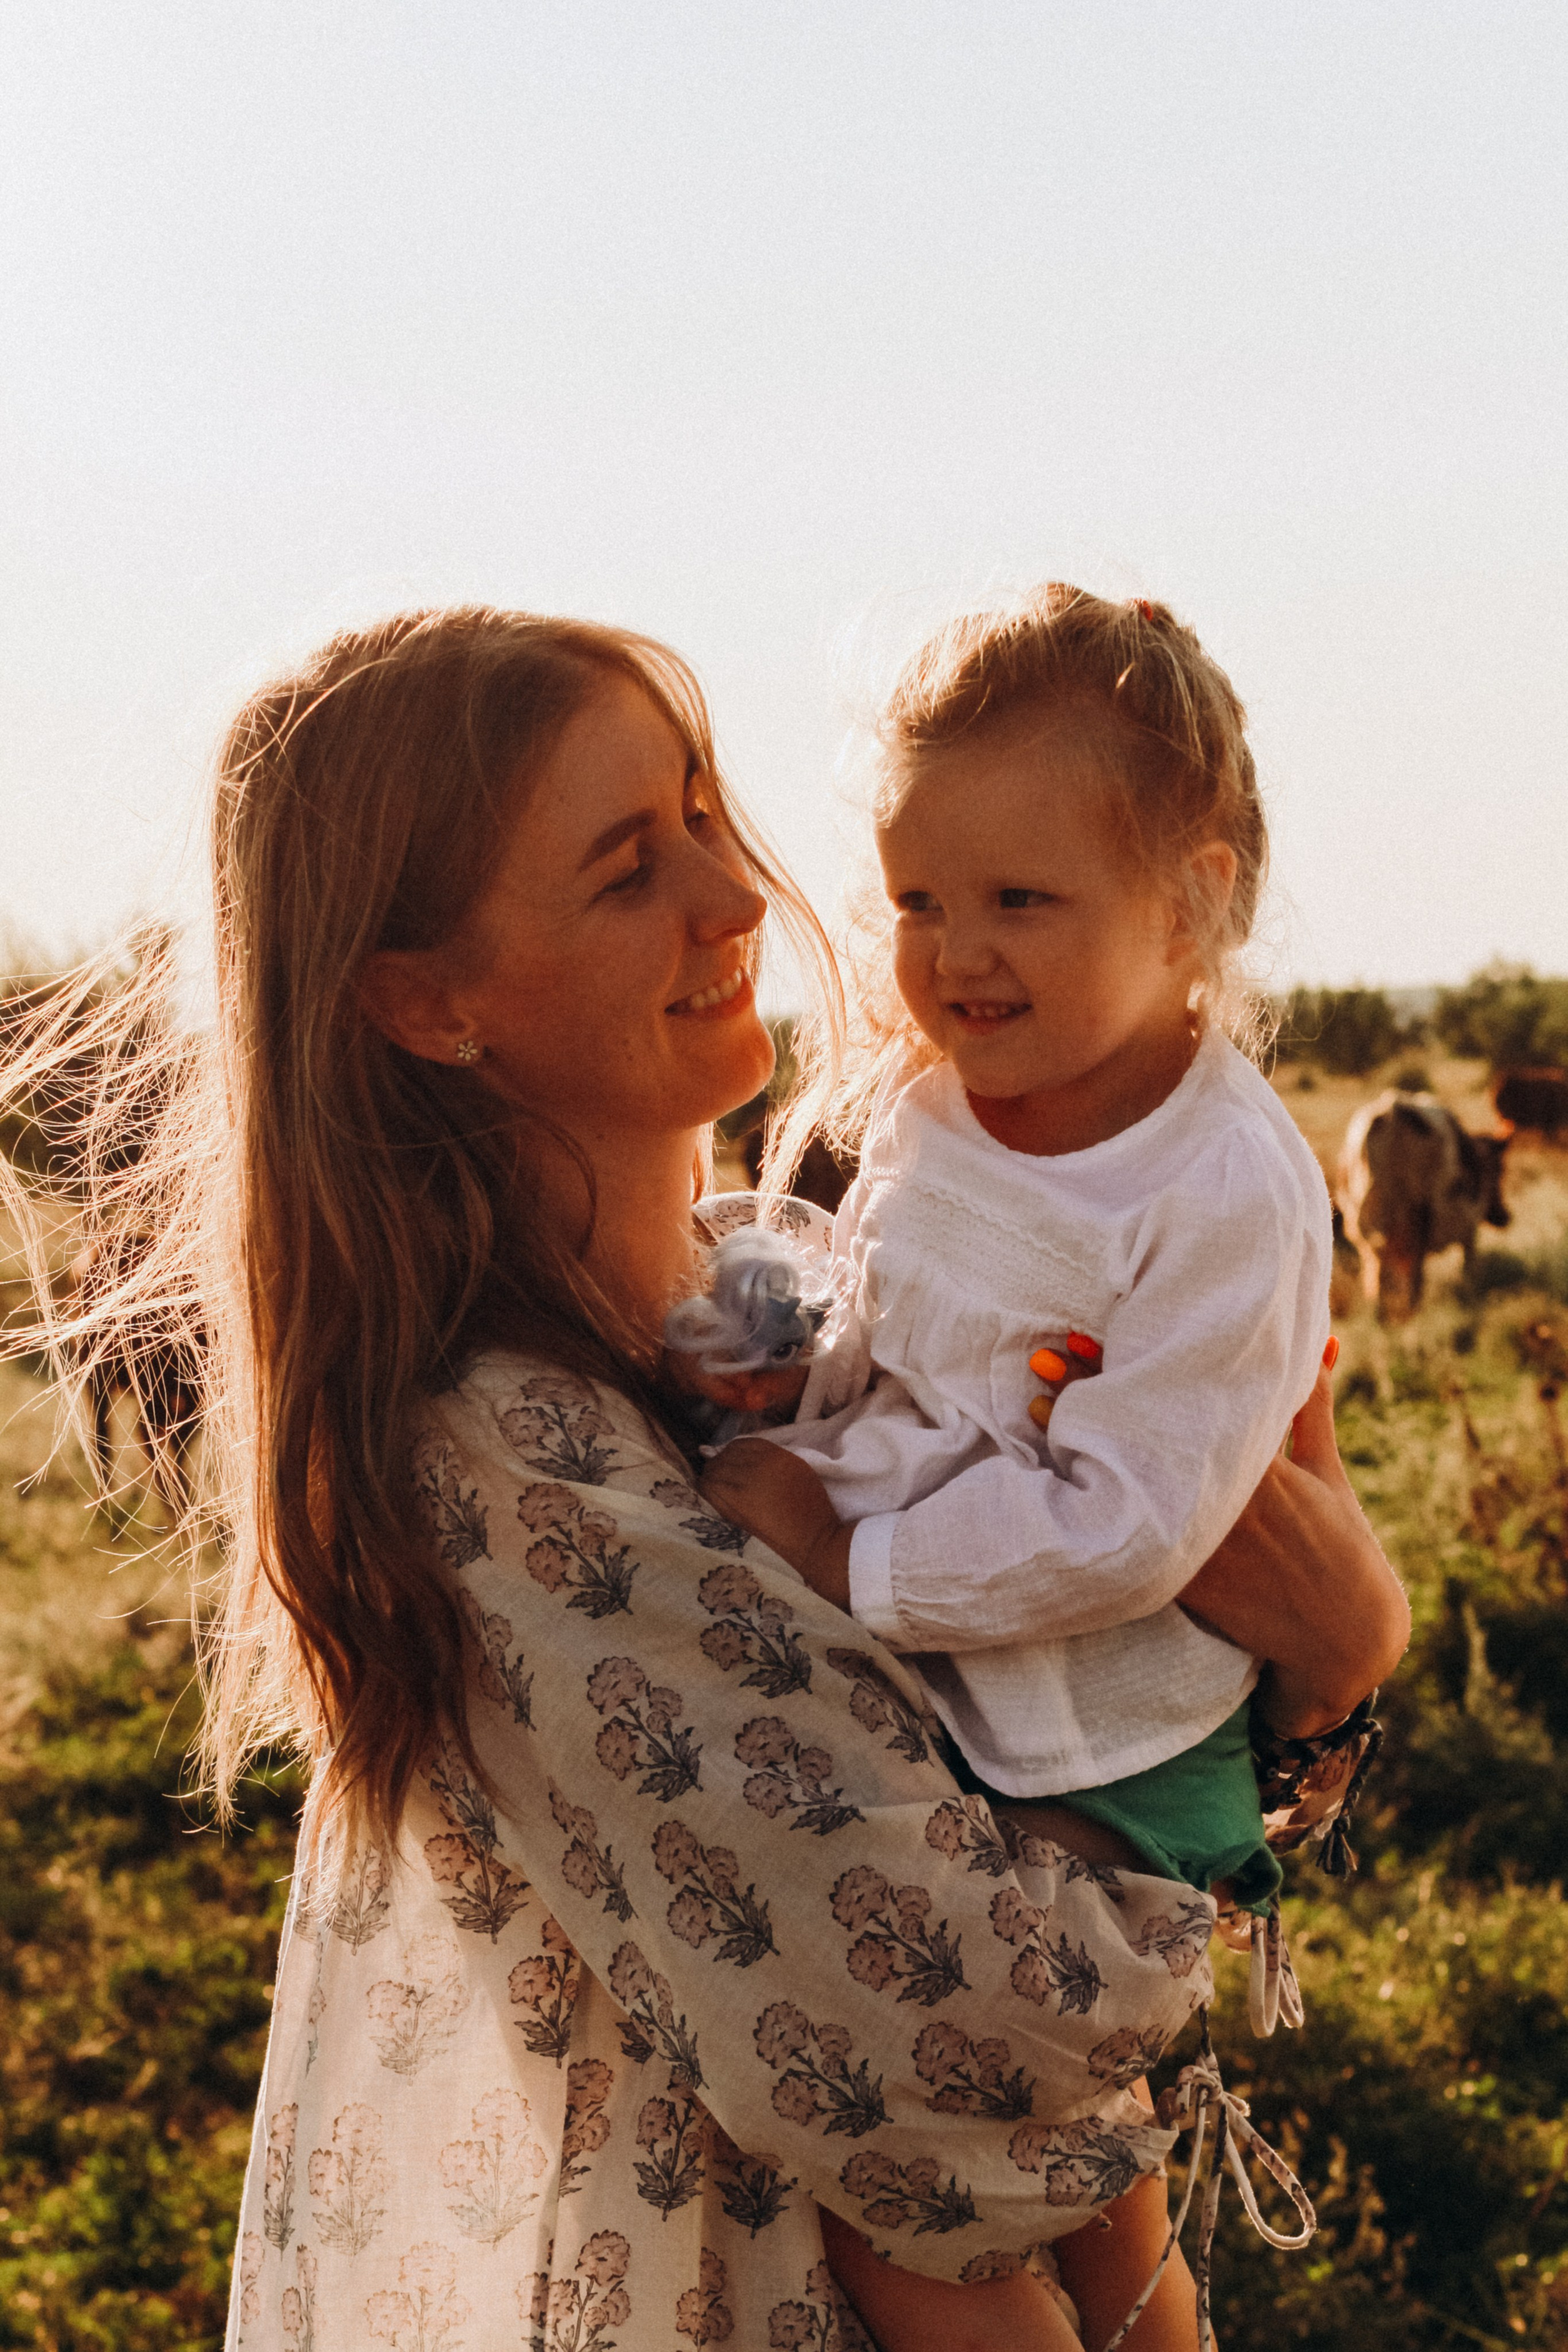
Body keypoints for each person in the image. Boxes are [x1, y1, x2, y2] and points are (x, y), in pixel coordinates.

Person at [2, 606, 1408, 2352]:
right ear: (428, 1002)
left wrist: (1317, 1670)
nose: (739, 898)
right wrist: (1326, 1675)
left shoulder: (778, 1305)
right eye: (623, 871)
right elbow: (962, 2020)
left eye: (700, 814)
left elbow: (1065, 1722)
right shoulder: (505, 1457)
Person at [689, 586, 1390, 2345]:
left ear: (1195, 904)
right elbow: (887, 1330)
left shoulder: (1221, 1183)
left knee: (931, 2189)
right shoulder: (923, 1107)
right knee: (1088, 2192)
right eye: (920, 899)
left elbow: (1139, 1521)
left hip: (1115, 1737)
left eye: (1020, 900)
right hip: (978, 1703)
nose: (954, 953)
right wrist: (767, 1356)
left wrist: (848, 1563)